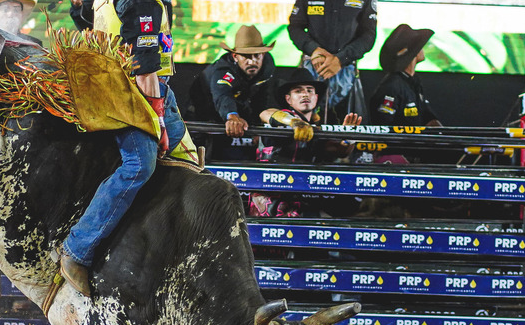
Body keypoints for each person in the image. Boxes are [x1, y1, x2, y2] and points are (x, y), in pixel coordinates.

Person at [58, 0, 186, 295]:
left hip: (119, 85)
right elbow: (145, 71)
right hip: (128, 94)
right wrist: (156, 121)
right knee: (139, 165)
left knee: (179, 139)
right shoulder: (143, 1)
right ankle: (77, 249)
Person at [287, 0, 377, 121]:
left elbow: (369, 35)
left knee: (347, 125)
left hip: (346, 69)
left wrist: (341, 59)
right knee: (305, 124)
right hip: (312, 65)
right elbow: (295, 26)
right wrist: (314, 50)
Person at [253, 68, 362, 219]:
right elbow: (266, 113)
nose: (305, 94)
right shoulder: (282, 118)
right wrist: (294, 122)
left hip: (302, 202)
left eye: (309, 90)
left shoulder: (316, 128)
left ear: (316, 98)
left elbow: (339, 151)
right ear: (288, 99)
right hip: (271, 203)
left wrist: (348, 137)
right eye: (298, 91)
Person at [189, 24, 278, 161]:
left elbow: (262, 99)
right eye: (246, 56)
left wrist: (257, 127)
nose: (252, 61)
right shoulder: (222, 70)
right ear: (235, 56)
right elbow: (222, 96)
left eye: (257, 55)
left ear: (264, 54)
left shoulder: (267, 67)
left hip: (239, 110)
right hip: (203, 113)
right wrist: (232, 116)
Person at [368, 24, 441, 128]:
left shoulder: (414, 82)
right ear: (414, 52)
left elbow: (427, 117)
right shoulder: (392, 87)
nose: (423, 49)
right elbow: (383, 127)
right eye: (420, 46)